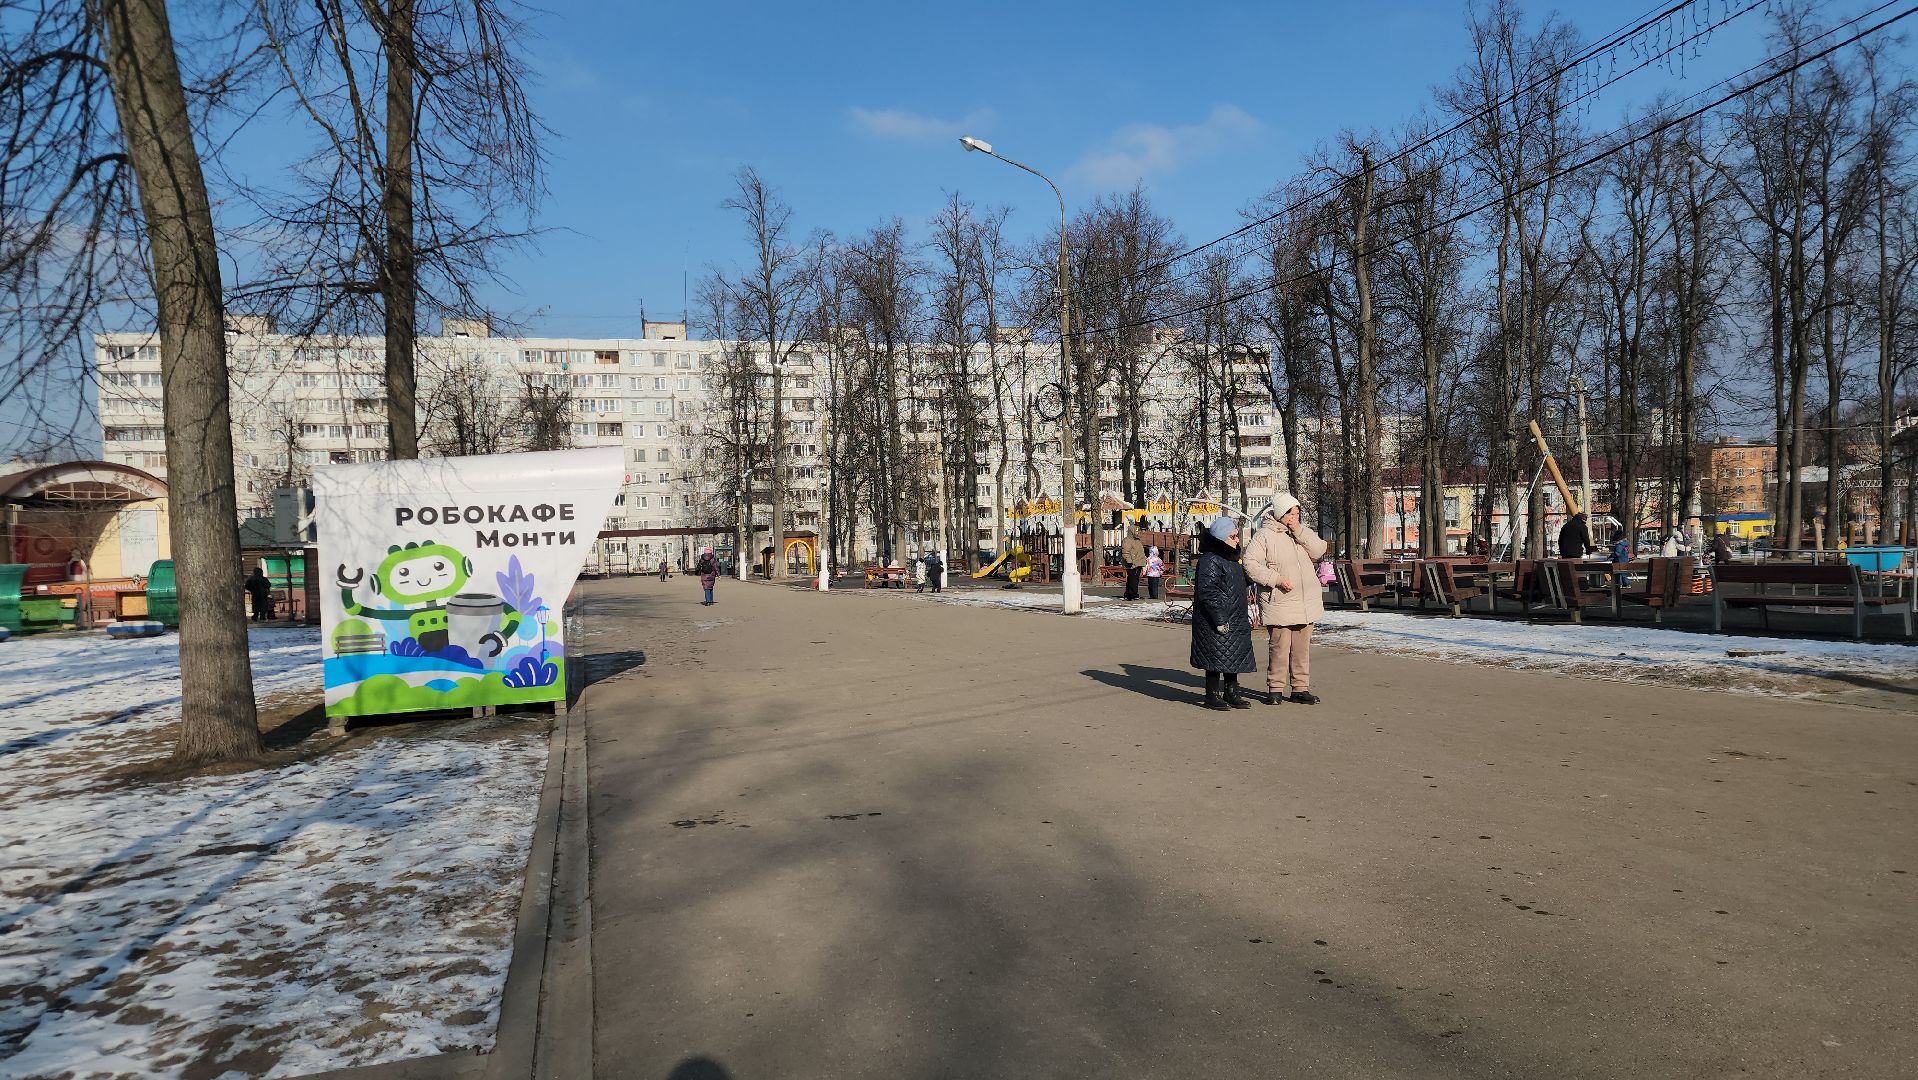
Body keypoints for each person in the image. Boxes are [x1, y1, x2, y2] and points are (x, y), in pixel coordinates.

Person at [1243, 493, 1328, 706]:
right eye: (1291, 512)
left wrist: (1299, 530)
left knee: (1301, 648)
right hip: (1279, 600)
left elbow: (1319, 550)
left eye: (1297, 512)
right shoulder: (1264, 535)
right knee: (1280, 647)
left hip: (1305, 601)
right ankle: (1275, 689)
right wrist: (1276, 579)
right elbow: (1250, 563)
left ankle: (1300, 688)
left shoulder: (1300, 533)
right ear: (1280, 513)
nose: (1295, 516)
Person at [1190, 515, 1256, 711]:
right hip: (1214, 618)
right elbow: (1207, 591)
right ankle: (1212, 695)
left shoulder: (1231, 559)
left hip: (1235, 617)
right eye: (1233, 536)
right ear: (1221, 538)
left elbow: (1238, 583)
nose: (1237, 540)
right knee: (1214, 656)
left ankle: (1231, 692)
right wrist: (1219, 617)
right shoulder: (1210, 560)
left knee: (1231, 656)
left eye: (1236, 536)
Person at [1121, 522, 1146, 601]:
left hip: (1138, 562)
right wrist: (1129, 561)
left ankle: (1128, 594)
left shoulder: (1137, 541)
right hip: (1131, 563)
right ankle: (1133, 594)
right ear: (1132, 531)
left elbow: (1140, 552)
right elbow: (1125, 552)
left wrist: (1144, 560)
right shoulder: (1127, 541)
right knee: (1133, 579)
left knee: (1134, 579)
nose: (1137, 532)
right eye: (1136, 531)